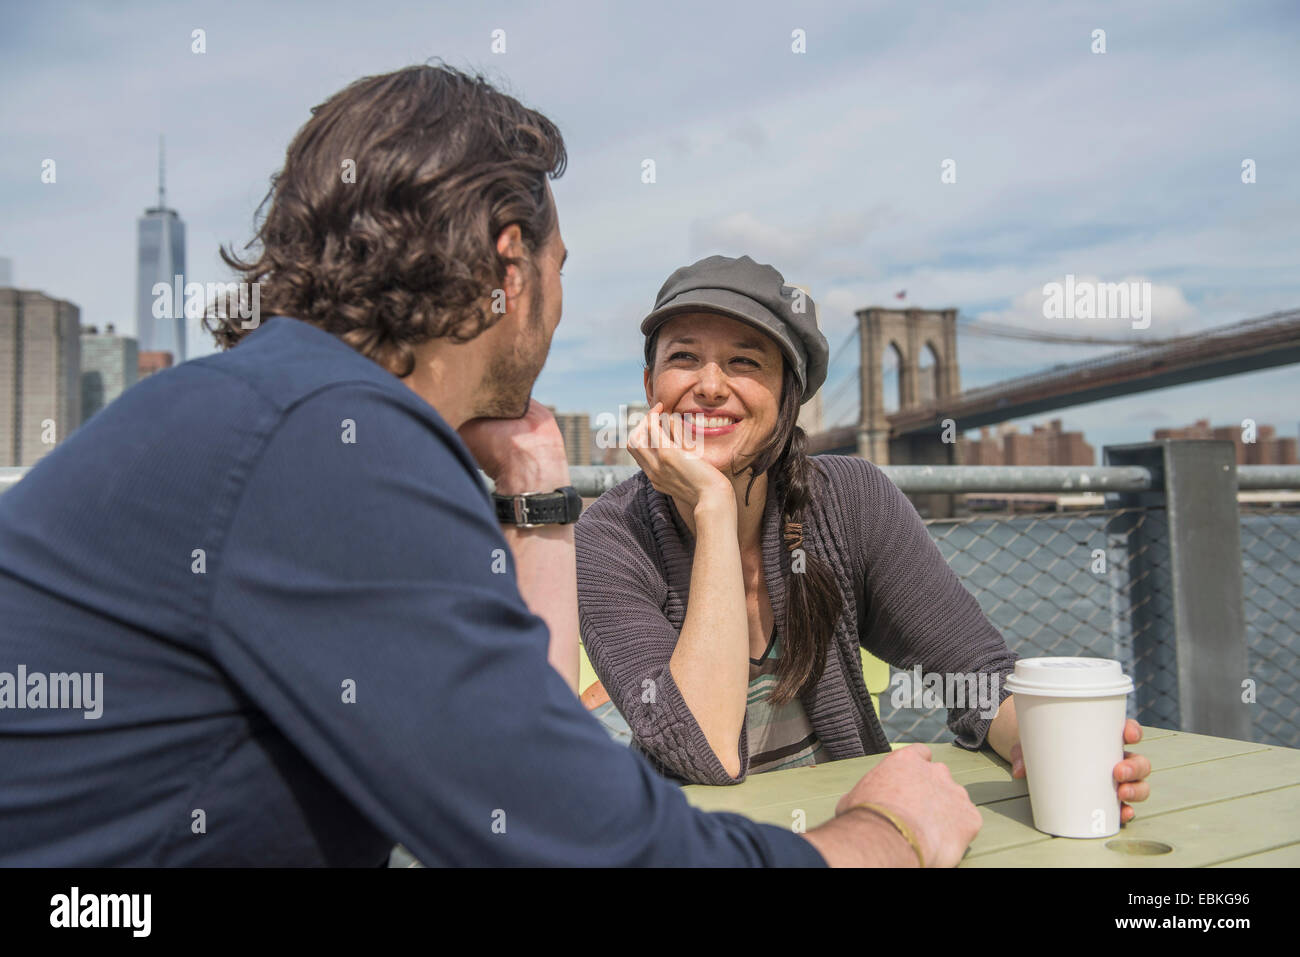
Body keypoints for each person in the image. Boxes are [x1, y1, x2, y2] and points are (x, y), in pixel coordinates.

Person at [0, 63, 1000, 867]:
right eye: (561, 272)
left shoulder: (276, 411)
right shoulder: (328, 447)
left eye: (746, 363)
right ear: (509, 265)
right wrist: (875, 839)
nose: (558, 309)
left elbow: (510, 753)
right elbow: (578, 843)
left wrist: (531, 492)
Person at [574, 256, 1153, 817]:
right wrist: (715, 507)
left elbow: (975, 673)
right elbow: (702, 752)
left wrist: (1038, 742)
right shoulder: (611, 534)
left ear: (787, 398)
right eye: (684, 357)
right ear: (651, 384)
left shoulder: (851, 501)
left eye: (745, 362)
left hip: (855, 833)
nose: (709, 385)